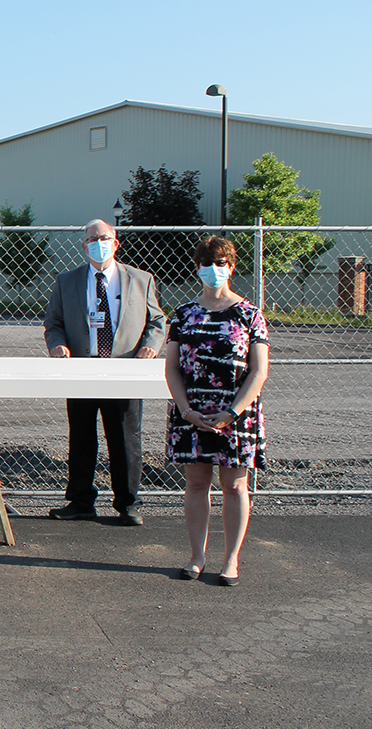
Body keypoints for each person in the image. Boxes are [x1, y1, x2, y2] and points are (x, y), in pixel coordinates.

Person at [44, 219, 165, 525]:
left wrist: (150, 347)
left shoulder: (140, 279)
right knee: (81, 438)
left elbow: (157, 321)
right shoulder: (67, 281)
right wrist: (57, 345)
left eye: (104, 238)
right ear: (84, 246)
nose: (98, 243)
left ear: (116, 243)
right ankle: (81, 501)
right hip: (82, 370)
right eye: (92, 239)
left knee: (125, 439)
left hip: (124, 371)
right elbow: (54, 322)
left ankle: (128, 504)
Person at [165, 236, 269, 587]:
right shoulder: (183, 314)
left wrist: (231, 413)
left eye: (221, 263)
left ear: (232, 267)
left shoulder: (250, 314)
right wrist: (186, 410)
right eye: (206, 263)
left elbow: (259, 371)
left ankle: (231, 560)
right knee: (196, 484)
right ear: (197, 268)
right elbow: (172, 368)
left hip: (236, 416)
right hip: (192, 414)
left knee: (234, 486)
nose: (214, 269)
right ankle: (196, 557)